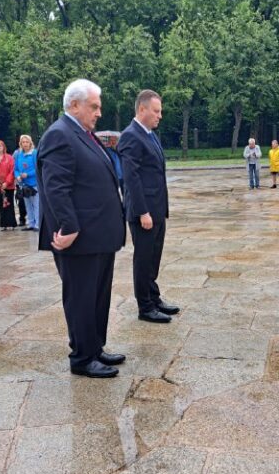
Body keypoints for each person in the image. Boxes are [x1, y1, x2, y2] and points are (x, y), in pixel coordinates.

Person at [37, 78, 125, 378]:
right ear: (74, 105)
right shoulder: (59, 135)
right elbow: (55, 188)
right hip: (79, 238)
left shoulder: (84, 134)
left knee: (98, 296)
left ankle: (95, 347)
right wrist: (68, 226)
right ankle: (82, 358)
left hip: (98, 235)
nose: (99, 112)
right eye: (94, 106)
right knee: (81, 299)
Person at [118, 90, 179, 324]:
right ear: (141, 109)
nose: (159, 116)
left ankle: (154, 298)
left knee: (154, 257)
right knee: (143, 260)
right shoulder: (130, 136)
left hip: (156, 209)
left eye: (160, 111)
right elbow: (130, 178)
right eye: (156, 111)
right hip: (143, 212)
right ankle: (145, 307)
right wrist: (143, 212)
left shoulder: (150, 134)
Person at [13, 135, 39, 231]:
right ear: (20, 143)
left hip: (34, 184)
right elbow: (15, 169)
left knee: (36, 205)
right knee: (27, 205)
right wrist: (17, 176)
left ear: (30, 143)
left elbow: (38, 168)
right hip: (23, 184)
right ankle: (31, 224)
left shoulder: (34, 153)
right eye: (23, 142)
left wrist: (27, 174)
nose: (25, 144)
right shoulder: (19, 154)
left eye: (26, 142)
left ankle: (37, 224)